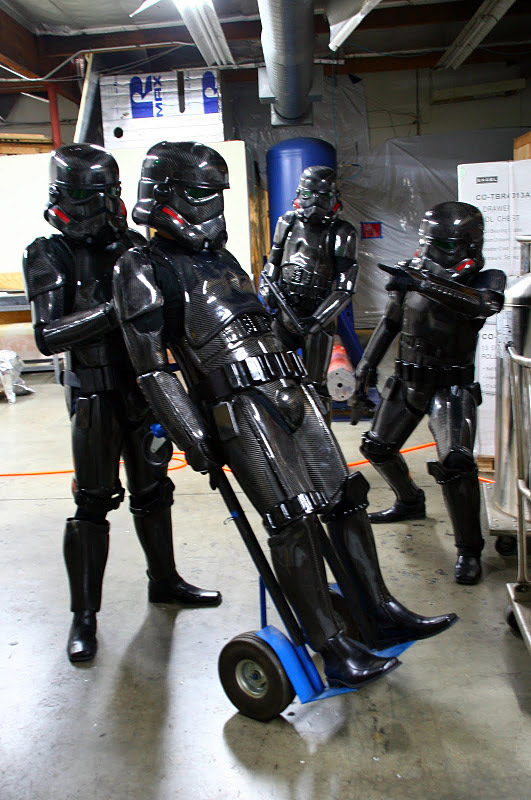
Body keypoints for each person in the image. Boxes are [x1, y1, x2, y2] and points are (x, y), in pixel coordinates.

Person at [112, 140, 457, 691]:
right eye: (201, 193)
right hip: (237, 404)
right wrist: (193, 435)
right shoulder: (141, 266)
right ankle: (331, 646)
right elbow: (152, 368)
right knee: (292, 519)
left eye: (217, 194)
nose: (212, 206)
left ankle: (379, 611)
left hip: (291, 385)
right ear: (166, 193)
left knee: (346, 498)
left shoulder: (221, 258)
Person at [23, 143, 221, 664]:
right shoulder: (48, 253)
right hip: (94, 392)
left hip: (145, 387)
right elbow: (48, 334)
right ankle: (84, 616)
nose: (100, 206)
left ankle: (165, 580)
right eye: (87, 195)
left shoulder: (134, 246)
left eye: (105, 193)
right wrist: (116, 310)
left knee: (154, 492)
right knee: (93, 502)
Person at [352, 202, 506, 585]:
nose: (430, 252)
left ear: (470, 244)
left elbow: (483, 305)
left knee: (456, 463)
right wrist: (364, 368)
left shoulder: (486, 279)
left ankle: (469, 549)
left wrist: (422, 282)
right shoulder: (413, 272)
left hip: (450, 387)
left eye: (442, 245)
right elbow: (390, 323)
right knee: (377, 448)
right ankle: (409, 500)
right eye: (427, 242)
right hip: (407, 381)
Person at [259, 166, 358, 416]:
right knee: (278, 379)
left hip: (318, 318)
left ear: (333, 197)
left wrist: (318, 319)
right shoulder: (287, 222)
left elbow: (345, 288)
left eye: (322, 196)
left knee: (317, 387)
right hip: (284, 312)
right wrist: (267, 289)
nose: (314, 202)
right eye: (307, 194)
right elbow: (272, 261)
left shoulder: (342, 232)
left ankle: (320, 435)